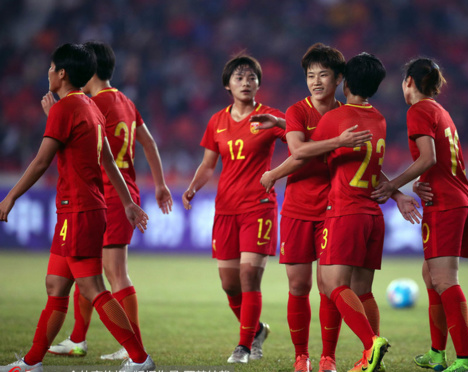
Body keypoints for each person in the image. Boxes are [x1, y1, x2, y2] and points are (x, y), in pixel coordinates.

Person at [0, 43, 154, 372]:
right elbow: (108, 159)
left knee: (92, 286)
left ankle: (140, 359)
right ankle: (32, 362)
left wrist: (11, 196)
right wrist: (127, 202)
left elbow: (42, 161)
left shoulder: (66, 108)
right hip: (75, 209)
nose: (48, 72)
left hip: (80, 210)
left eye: (52, 68)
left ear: (62, 74)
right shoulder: (89, 106)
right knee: (55, 284)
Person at [48, 40, 173, 361]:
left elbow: (89, 152)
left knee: (114, 272)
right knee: (89, 270)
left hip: (109, 195)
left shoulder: (92, 105)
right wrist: (158, 184)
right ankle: (79, 339)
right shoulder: (126, 102)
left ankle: (133, 348)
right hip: (119, 193)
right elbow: (149, 142)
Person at [255, 43, 372, 372]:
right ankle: (301, 356)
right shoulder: (297, 111)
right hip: (296, 208)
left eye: (323, 75)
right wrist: (337, 142)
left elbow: (365, 158)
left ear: (339, 78)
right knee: (298, 285)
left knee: (328, 287)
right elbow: (298, 149)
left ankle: (328, 358)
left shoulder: (346, 114)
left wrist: (394, 191)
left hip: (334, 209)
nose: (316, 81)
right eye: (310, 75)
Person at [310, 52, 420, 372]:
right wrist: (398, 195)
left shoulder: (334, 119)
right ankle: (370, 358)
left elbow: (308, 155)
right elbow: (370, 167)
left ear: (343, 81)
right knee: (363, 290)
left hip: (345, 212)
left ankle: (371, 344)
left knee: (332, 285)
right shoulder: (379, 119)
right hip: (373, 214)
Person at [371, 57, 468, 372]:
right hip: (455, 198)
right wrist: (421, 183)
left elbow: (429, 157)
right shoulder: (440, 112)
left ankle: (466, 359)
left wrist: (393, 185)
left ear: (409, 83)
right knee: (431, 276)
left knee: (444, 279)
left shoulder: (418, 110)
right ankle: (436, 352)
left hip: (446, 204)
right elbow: (442, 161)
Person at [182, 54, 283, 364]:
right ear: (227, 85)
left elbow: (303, 134)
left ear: (258, 84)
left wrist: (279, 122)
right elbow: (208, 164)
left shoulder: (269, 116)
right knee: (229, 284)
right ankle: (256, 331)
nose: (246, 82)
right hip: (226, 209)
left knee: (250, 274)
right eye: (239, 78)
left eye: (252, 77)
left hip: (259, 206)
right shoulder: (217, 121)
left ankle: (243, 346)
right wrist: (192, 187)